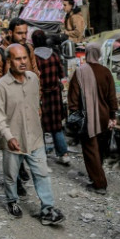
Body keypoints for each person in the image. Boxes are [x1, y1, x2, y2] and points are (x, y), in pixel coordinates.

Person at [0, 44, 65, 226]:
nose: (23, 62)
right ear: (9, 61)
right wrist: (9, 137)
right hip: (13, 139)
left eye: (25, 58)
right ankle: (12, 201)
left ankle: (47, 208)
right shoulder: (1, 86)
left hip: (34, 136)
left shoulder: (33, 78)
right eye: (18, 59)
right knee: (11, 175)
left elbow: (36, 103)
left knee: (41, 174)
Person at [0, 18, 40, 196]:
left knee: (28, 141)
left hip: (27, 106)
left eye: (26, 33)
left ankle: (21, 169)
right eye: (20, 33)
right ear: (10, 33)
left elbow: (35, 73)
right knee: (11, 146)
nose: (24, 36)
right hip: (9, 109)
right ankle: (15, 182)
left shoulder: (29, 49)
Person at [67, 44, 119, 194]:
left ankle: (99, 183)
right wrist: (113, 116)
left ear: (87, 53)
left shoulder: (80, 72)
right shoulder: (106, 72)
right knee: (100, 148)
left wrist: (75, 114)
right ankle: (97, 172)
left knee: (90, 151)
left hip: (87, 119)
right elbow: (112, 97)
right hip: (104, 117)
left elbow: (73, 99)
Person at [32, 30, 71, 166]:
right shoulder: (54, 55)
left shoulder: (34, 59)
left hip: (41, 96)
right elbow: (62, 75)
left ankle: (41, 154)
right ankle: (63, 153)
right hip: (55, 95)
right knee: (57, 126)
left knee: (39, 126)